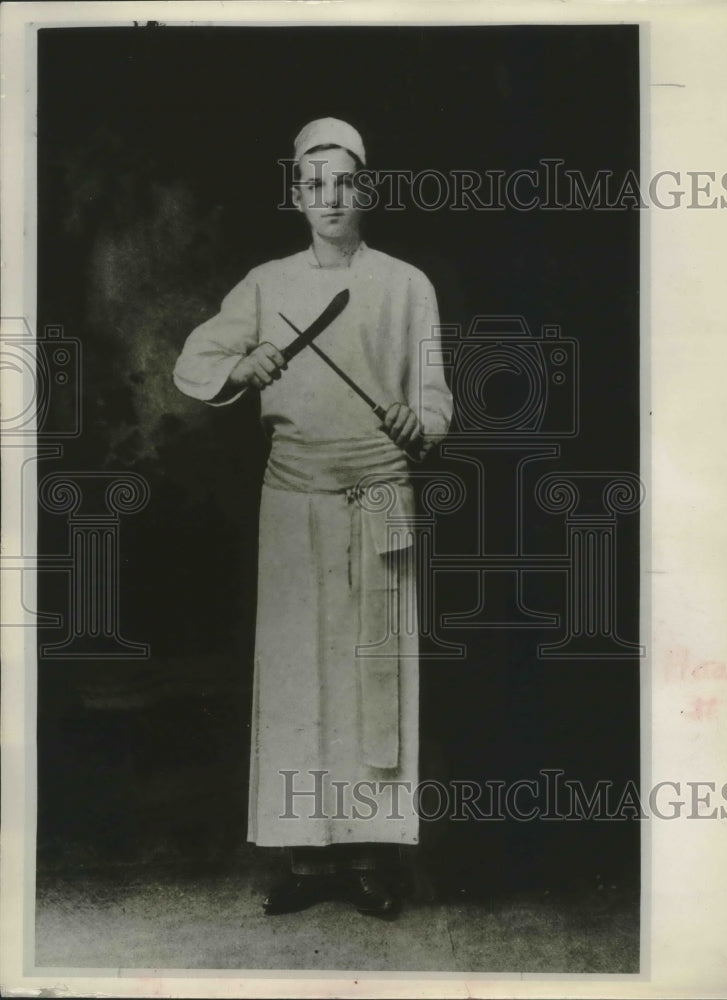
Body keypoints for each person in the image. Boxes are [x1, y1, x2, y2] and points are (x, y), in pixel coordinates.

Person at [173, 118, 452, 918]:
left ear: (367, 190)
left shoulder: (408, 285)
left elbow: (437, 406)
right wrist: (244, 362)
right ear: (297, 195)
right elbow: (194, 363)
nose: (331, 197)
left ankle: (370, 857)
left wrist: (415, 421)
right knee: (298, 675)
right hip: (292, 498)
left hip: (377, 497)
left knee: (374, 675)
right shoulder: (266, 284)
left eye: (346, 182)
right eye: (315, 183)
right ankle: (303, 860)